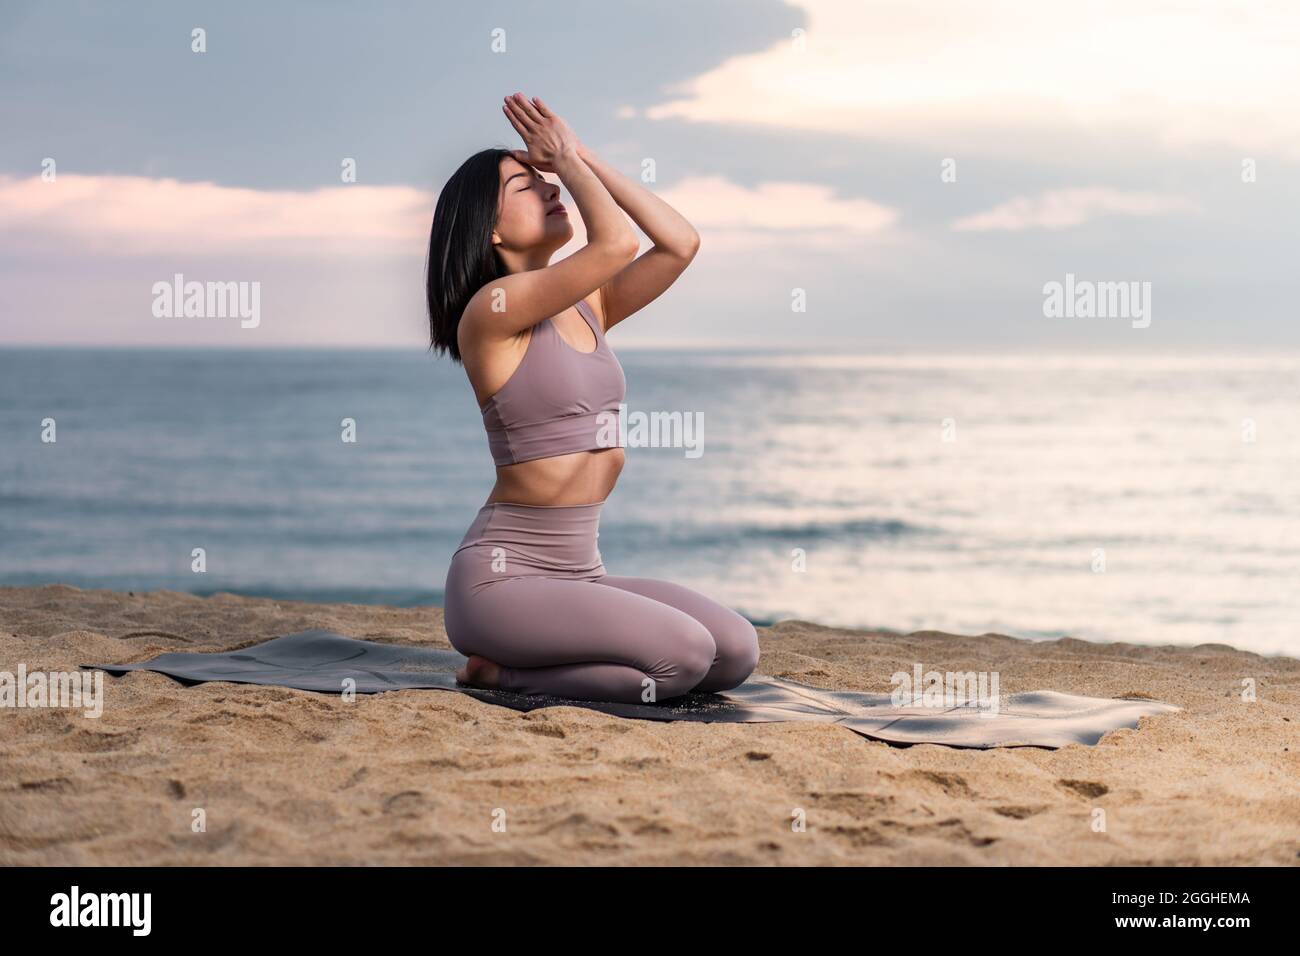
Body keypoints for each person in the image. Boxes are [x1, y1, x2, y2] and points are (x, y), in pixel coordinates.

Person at [426, 92, 759, 704]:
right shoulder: (492, 311)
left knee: (735, 651)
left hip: (581, 570)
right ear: (492, 228)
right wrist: (566, 164)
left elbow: (679, 243)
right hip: (502, 582)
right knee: (681, 659)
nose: (550, 187)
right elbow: (614, 245)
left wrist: (576, 155)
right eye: (527, 187)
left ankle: (520, 664)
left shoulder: (588, 306)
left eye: (547, 178)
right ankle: (497, 672)